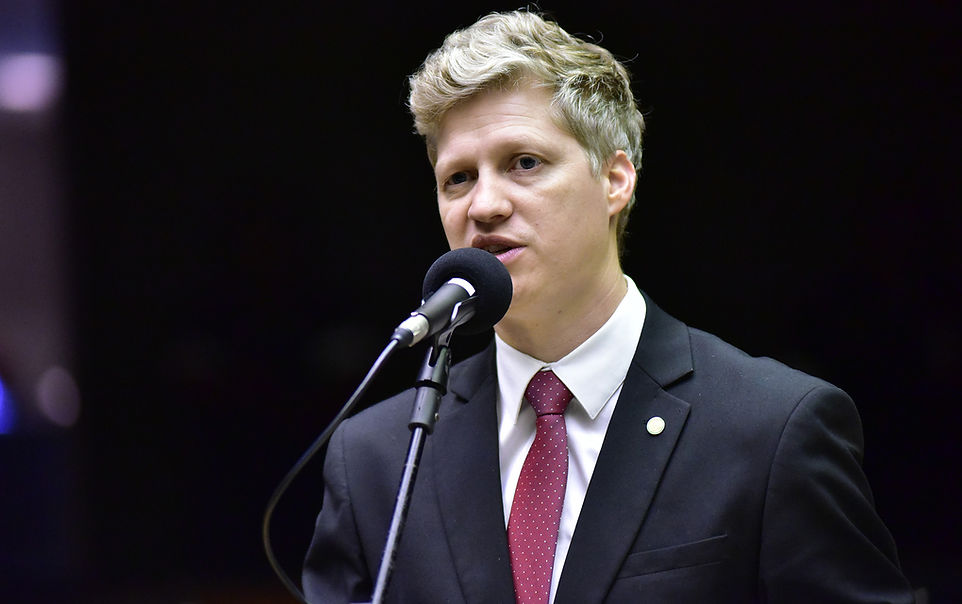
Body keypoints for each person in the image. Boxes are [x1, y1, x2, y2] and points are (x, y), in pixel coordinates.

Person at [303, 10, 912, 603]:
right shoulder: (377, 459)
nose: (484, 205)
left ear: (616, 180)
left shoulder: (773, 430)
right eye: (457, 178)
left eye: (524, 163)